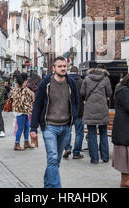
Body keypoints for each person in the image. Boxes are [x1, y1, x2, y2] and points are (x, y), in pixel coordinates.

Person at [30, 56, 79, 188]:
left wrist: (73, 116)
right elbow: (37, 105)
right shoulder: (46, 83)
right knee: (52, 157)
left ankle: (48, 185)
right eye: (60, 66)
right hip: (49, 127)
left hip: (65, 127)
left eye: (65, 66)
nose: (63, 68)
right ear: (53, 68)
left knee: (55, 161)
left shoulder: (71, 83)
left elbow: (76, 102)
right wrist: (33, 128)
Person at [80, 64, 112, 164]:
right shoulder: (106, 79)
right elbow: (110, 93)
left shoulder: (87, 78)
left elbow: (82, 93)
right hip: (102, 108)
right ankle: (105, 157)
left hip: (90, 108)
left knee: (92, 133)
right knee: (103, 133)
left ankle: (94, 158)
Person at [63, 66, 85, 160]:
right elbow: (85, 95)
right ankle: (76, 153)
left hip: (67, 111)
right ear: (78, 72)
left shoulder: (65, 81)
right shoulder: (82, 82)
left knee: (68, 131)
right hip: (79, 110)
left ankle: (67, 148)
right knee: (79, 132)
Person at [12, 74, 35, 151]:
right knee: (21, 128)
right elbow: (31, 97)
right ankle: (17, 144)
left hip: (24, 111)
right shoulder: (23, 89)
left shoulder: (18, 88)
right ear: (25, 81)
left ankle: (26, 142)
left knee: (27, 127)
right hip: (21, 111)